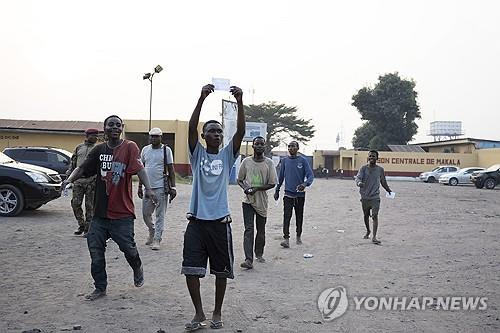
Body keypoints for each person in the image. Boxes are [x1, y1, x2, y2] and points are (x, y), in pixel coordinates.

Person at [63, 115, 157, 301]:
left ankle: (137, 266)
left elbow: (140, 169)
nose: (114, 127)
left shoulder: (129, 147)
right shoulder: (98, 150)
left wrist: (149, 188)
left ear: (121, 128)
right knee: (95, 252)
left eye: (117, 124)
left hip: (122, 214)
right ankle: (100, 287)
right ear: (104, 129)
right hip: (100, 215)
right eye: (110, 124)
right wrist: (68, 180)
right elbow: (82, 168)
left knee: (128, 249)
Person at [182, 84, 244, 331]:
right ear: (203, 136)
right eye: (211, 131)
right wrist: (201, 98)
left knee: (221, 272)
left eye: (219, 132)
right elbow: (190, 127)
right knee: (190, 270)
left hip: (220, 223)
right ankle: (199, 313)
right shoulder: (197, 155)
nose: (217, 134)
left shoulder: (228, 156)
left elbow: (240, 132)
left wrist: (240, 102)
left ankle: (217, 311)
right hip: (196, 222)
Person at [237, 136, 277, 269]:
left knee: (261, 230)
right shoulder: (246, 162)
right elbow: (240, 179)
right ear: (253, 146)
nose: (259, 146)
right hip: (247, 201)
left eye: (262, 144)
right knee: (249, 229)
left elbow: (272, 183)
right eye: (257, 144)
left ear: (265, 147)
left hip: (262, 201)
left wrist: (257, 189)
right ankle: (248, 260)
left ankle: (259, 253)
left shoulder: (269, 163)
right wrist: (246, 189)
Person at [137, 127, 177, 250]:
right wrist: (140, 186)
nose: (153, 138)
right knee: (145, 214)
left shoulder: (166, 150)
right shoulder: (145, 150)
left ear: (161, 137)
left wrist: (173, 187)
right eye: (152, 136)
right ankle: (152, 230)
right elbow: (141, 169)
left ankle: (157, 239)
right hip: (147, 188)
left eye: (156, 136)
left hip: (161, 188)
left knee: (160, 215)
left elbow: (171, 169)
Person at [274, 141, 314, 248]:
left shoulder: (303, 161)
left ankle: (298, 236)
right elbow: (281, 177)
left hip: (300, 195)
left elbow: (310, 176)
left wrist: (305, 184)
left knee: (299, 216)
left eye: (293, 146)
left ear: (298, 148)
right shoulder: (285, 161)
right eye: (289, 146)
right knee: (286, 216)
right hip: (288, 194)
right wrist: (277, 190)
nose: (291, 148)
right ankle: (286, 239)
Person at [66, 128, 99, 237]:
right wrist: (69, 177)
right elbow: (73, 163)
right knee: (75, 204)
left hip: (92, 180)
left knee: (90, 206)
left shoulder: (98, 149)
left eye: (96, 135)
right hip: (78, 181)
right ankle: (82, 224)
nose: (95, 137)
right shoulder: (79, 148)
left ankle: (88, 229)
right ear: (87, 136)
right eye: (93, 135)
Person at [355, 150, 392, 245]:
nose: (372, 158)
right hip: (365, 196)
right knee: (366, 215)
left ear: (377, 158)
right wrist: (359, 183)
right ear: (368, 158)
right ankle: (368, 231)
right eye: (370, 156)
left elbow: (383, 181)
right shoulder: (363, 169)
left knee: (375, 215)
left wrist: (388, 190)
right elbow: (358, 178)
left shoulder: (380, 170)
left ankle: (374, 237)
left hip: (375, 197)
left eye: (374, 156)